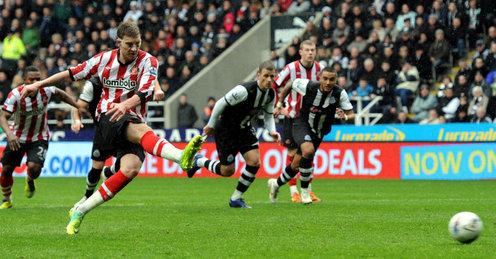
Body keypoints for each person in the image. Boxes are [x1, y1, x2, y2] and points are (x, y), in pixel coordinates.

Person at [20, 21, 203, 234]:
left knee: (130, 169)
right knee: (135, 135)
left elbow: (145, 92)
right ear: (119, 42)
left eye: (137, 43)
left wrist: (127, 103)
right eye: (129, 44)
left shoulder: (149, 61)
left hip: (131, 115)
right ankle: (181, 157)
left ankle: (81, 209)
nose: (134, 48)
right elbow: (70, 73)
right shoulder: (103, 59)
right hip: (108, 115)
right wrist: (38, 84)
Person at [186, 61, 280, 208]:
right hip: (226, 131)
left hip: (245, 129)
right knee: (227, 171)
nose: (269, 80)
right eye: (266, 76)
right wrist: (210, 125)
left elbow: (268, 115)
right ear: (258, 75)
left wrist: (272, 131)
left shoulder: (270, 94)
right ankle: (200, 161)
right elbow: (220, 104)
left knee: (255, 161)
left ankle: (236, 198)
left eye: (272, 76)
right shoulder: (244, 90)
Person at [69, 78, 165, 213]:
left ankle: (109, 172)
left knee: (128, 164)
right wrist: (77, 120)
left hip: (128, 124)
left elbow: (150, 75)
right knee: (96, 167)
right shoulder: (93, 84)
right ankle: (87, 195)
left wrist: (157, 89)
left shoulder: (128, 75)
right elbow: (78, 105)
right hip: (104, 128)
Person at [268, 67, 354, 204]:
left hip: (319, 131)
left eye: (331, 79)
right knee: (308, 150)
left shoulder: (339, 93)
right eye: (325, 78)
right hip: (301, 123)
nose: (327, 82)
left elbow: (351, 115)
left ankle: (276, 184)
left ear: (336, 80)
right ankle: (305, 193)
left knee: (296, 164)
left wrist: (346, 117)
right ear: (319, 78)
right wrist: (279, 103)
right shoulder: (309, 86)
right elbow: (290, 83)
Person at [0, 66, 80, 209]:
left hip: (39, 136)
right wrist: (10, 135)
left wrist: (78, 105)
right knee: (6, 170)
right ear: (25, 80)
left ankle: (30, 179)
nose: (36, 82)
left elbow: (61, 94)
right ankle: (6, 199)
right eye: (32, 79)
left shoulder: (46, 90)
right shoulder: (16, 95)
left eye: (38, 79)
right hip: (17, 137)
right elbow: (3, 117)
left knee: (34, 168)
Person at [273, 40, 322, 203]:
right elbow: (275, 84)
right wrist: (279, 106)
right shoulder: (291, 68)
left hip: (310, 119)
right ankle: (294, 191)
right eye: (307, 50)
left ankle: (308, 190)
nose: (310, 53)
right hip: (292, 117)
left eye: (313, 50)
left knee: (309, 154)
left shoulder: (319, 69)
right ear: (300, 52)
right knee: (293, 155)